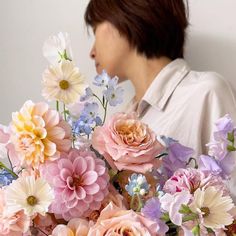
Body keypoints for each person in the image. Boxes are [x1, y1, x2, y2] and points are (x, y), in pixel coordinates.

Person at [84, 0, 236, 157]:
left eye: (95, 30)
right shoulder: (119, 120)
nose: (92, 52)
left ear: (127, 16)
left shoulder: (207, 93)